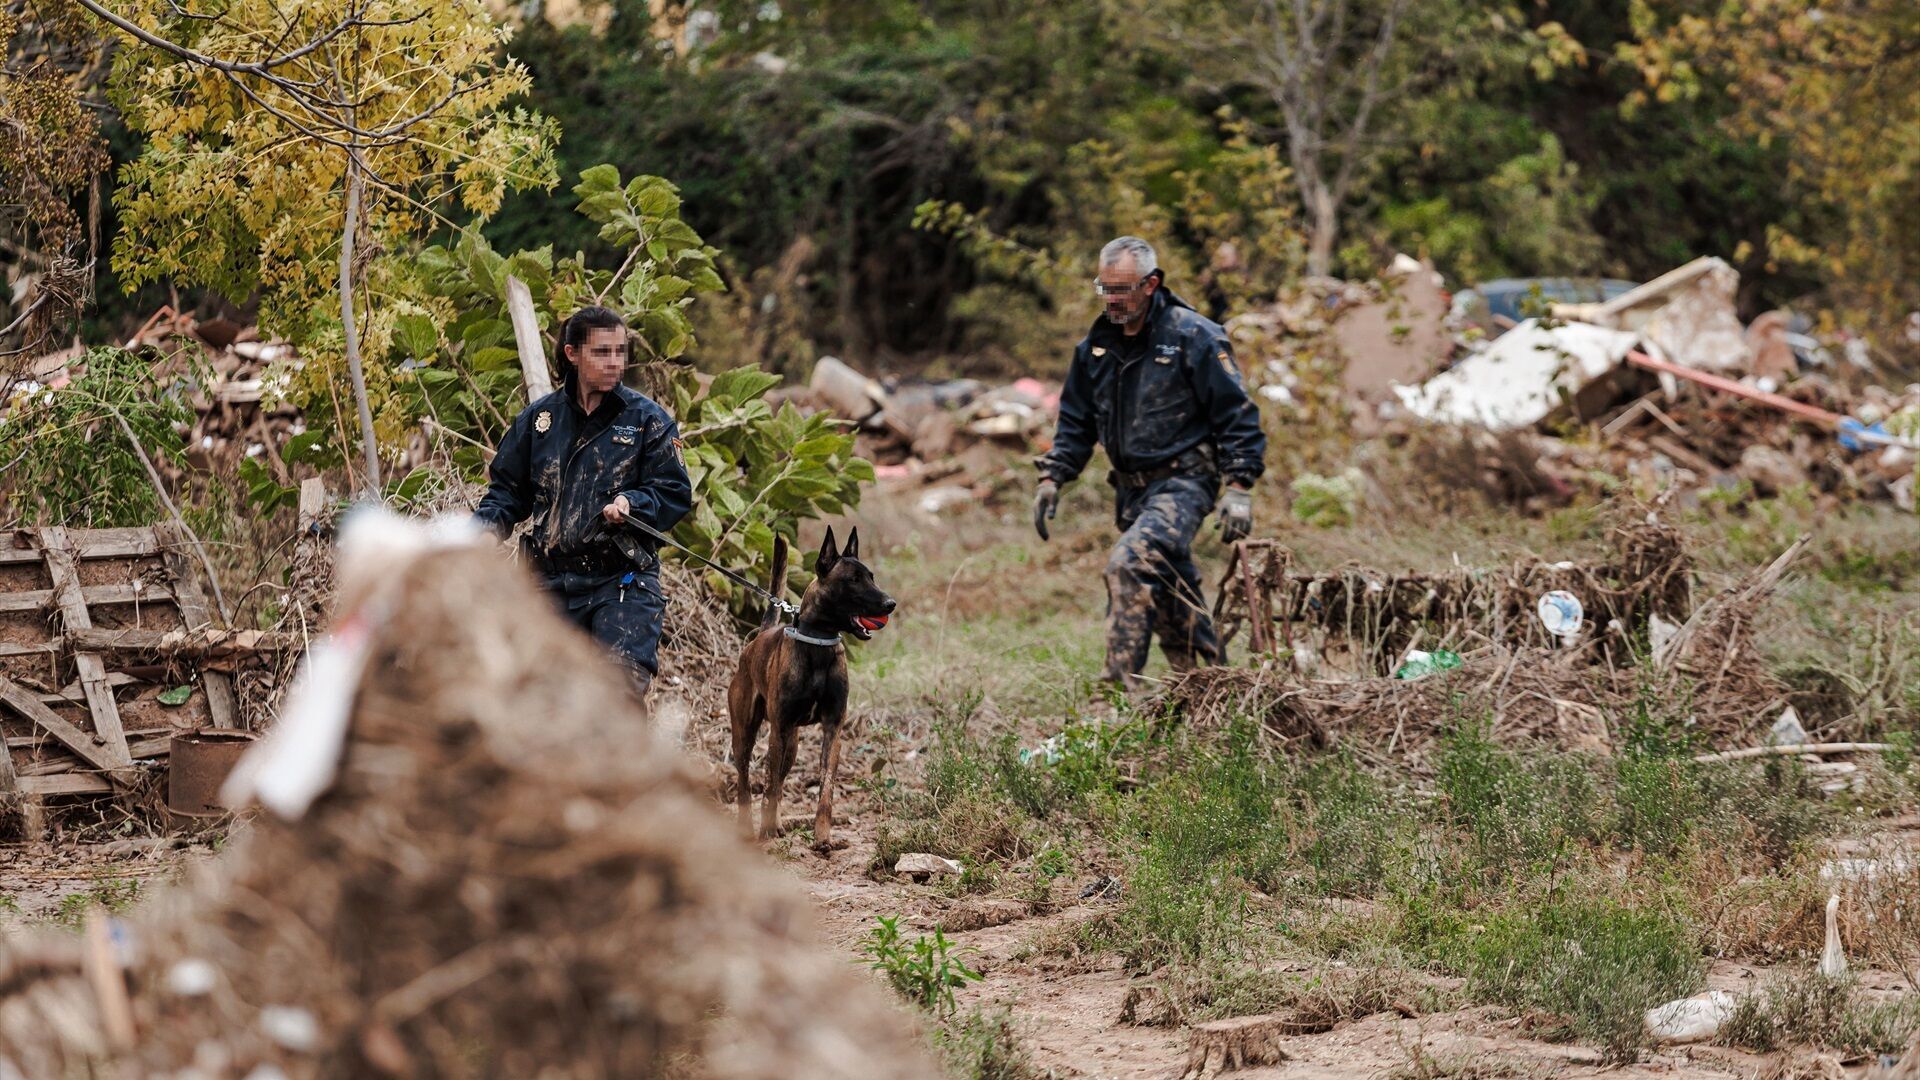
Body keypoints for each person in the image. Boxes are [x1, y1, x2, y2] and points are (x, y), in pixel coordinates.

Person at [1033, 236, 1267, 689]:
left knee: (1130, 563)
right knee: (1172, 591)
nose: (1113, 300)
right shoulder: (1095, 350)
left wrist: (1239, 488)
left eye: (1123, 290)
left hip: (1185, 483)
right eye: (1106, 289)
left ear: (1152, 284)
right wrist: (1052, 476)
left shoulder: (1194, 336)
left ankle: (1115, 694)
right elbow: (1076, 423)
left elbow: (1236, 413)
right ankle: (1213, 686)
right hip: (1132, 493)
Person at [473, 305, 692, 706]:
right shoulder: (538, 421)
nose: (615, 363)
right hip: (548, 584)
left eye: (620, 352)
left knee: (616, 698)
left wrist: (633, 502)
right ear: (572, 354)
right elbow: (507, 491)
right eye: (602, 352)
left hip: (622, 583)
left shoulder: (648, 421)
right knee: (533, 701)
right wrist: (485, 531)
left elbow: (674, 492)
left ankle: (626, 769)